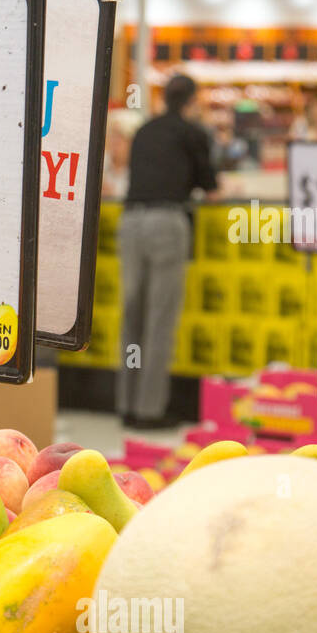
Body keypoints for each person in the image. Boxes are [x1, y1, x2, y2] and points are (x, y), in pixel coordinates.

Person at [116, 74, 218, 430]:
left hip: (131, 224)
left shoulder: (144, 131)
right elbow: (212, 188)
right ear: (192, 100)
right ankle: (149, 411)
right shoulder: (193, 133)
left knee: (132, 318)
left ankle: (126, 404)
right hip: (166, 224)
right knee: (159, 321)